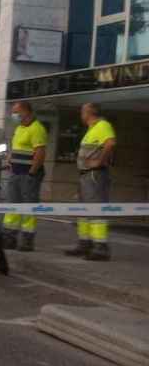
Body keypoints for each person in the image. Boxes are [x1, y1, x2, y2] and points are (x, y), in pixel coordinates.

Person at [66, 102, 117, 261]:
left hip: (95, 174)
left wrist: (99, 162)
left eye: (83, 111)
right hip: (86, 175)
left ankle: (100, 247)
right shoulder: (92, 129)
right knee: (82, 211)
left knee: (95, 210)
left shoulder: (103, 125)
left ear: (89, 112)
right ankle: (84, 243)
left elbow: (111, 143)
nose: (81, 114)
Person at [4, 101, 48, 252]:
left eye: (16, 112)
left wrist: (32, 173)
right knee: (12, 205)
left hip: (29, 174)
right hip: (16, 173)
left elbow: (40, 153)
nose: (14, 115)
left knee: (29, 207)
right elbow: (16, 148)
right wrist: (10, 160)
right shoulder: (19, 128)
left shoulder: (37, 129)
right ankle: (10, 238)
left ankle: (27, 241)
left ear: (26, 112)